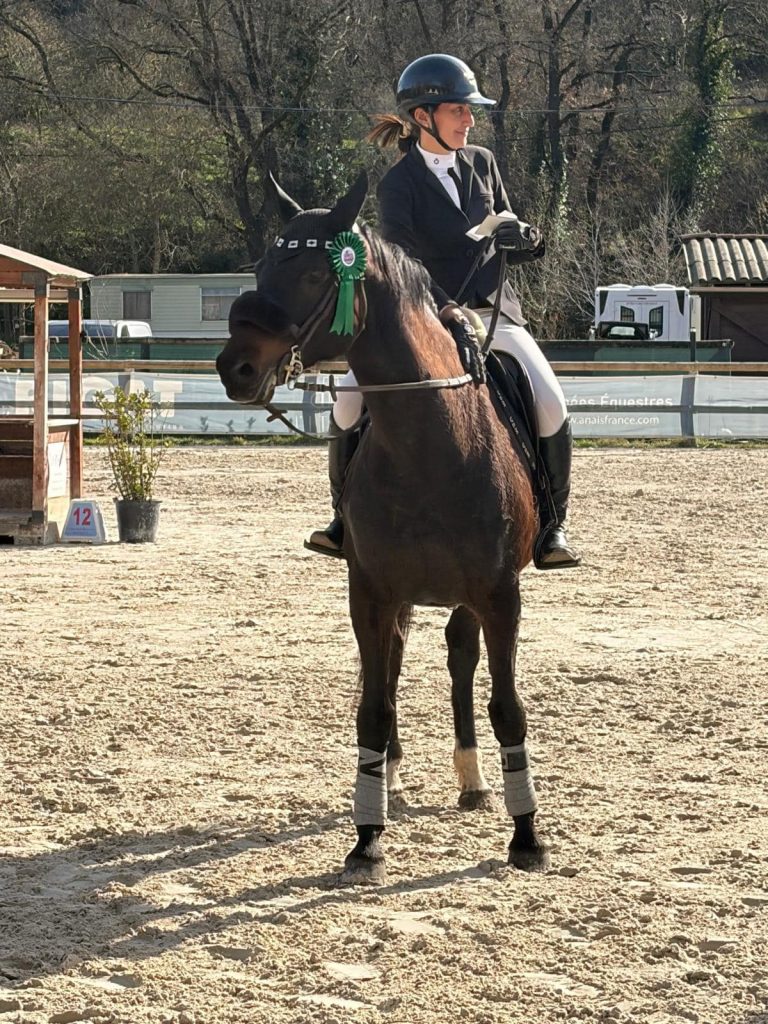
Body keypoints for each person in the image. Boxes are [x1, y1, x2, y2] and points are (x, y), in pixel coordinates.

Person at [305, 53, 580, 570]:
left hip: (496, 312)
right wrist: (446, 307)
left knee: (550, 402)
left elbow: (508, 227)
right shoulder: (399, 185)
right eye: (459, 109)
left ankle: (551, 526)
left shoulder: (483, 163)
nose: (470, 120)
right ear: (423, 116)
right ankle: (343, 520)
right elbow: (403, 264)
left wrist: (525, 237)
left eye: (469, 111)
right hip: (428, 317)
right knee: (346, 401)